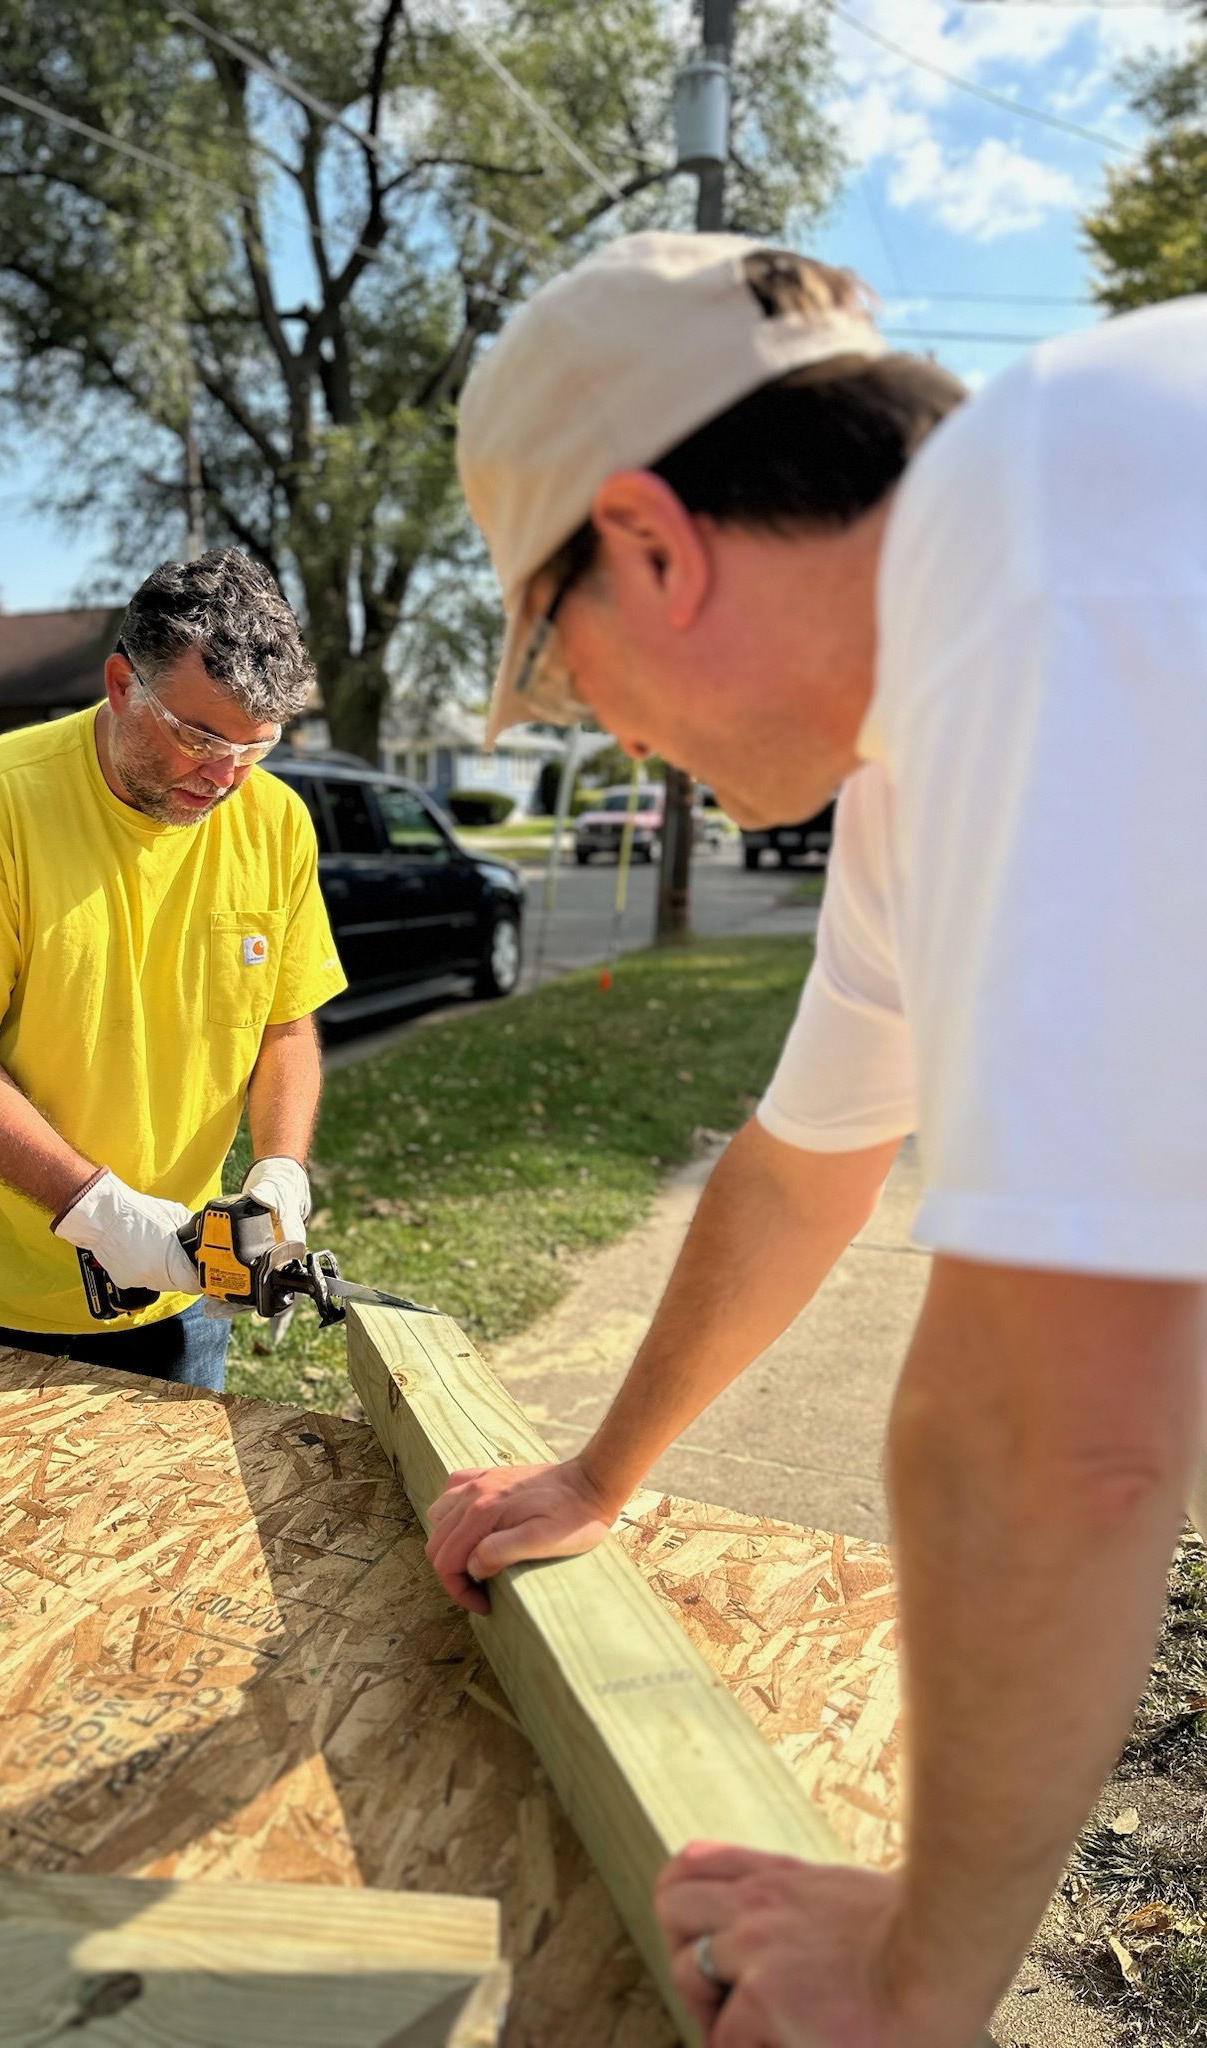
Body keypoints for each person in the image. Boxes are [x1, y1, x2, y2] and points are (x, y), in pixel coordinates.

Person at [432, 233, 1207, 2045]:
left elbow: (1061, 1426)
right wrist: (602, 1472)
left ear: (650, 542)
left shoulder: (1045, 558)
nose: (613, 739)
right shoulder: (936, 716)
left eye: (567, 678)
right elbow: (804, 1163)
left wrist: (912, 1974)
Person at [0, 549, 346, 1388]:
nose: (225, 778)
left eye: (255, 747)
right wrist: (99, 1212)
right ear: (123, 685)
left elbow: (286, 1029)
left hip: (175, 1303)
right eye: (200, 738)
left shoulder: (277, 824)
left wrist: (280, 1170)